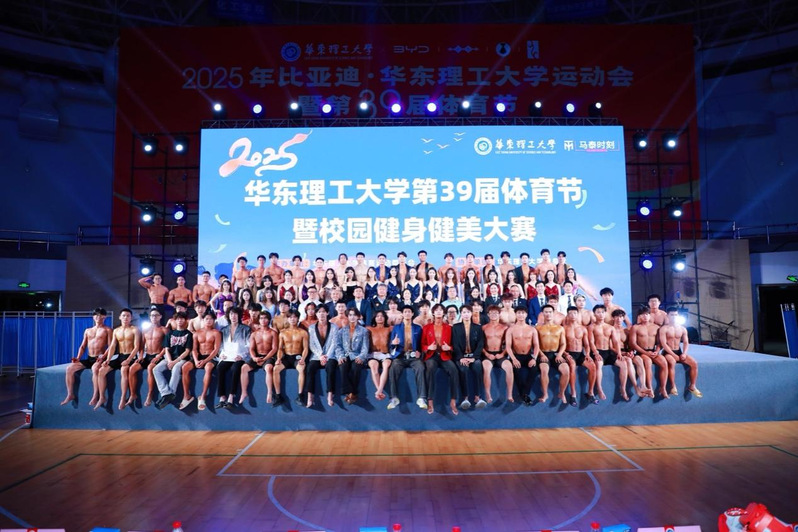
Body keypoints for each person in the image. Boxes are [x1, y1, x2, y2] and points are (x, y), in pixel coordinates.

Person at [61, 308, 112, 407]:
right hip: (89, 358)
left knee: (95, 368)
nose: (98, 317)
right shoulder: (88, 330)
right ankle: (70, 394)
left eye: (100, 315)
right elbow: (83, 346)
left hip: (100, 358)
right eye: (96, 315)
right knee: (69, 368)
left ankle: (95, 395)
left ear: (104, 317)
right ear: (93, 317)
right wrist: (78, 358)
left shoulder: (108, 330)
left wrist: (103, 356)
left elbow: (111, 346)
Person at [99, 308, 141, 410]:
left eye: (128, 316)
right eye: (124, 315)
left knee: (124, 370)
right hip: (120, 356)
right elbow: (112, 346)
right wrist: (108, 359)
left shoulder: (135, 329)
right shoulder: (116, 331)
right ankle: (102, 397)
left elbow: (137, 347)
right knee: (101, 371)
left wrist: (129, 360)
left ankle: (123, 398)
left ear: (131, 318)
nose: (125, 317)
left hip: (130, 356)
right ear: (120, 317)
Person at [421, 304, 458, 415]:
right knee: (430, 368)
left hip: (444, 355)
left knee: (453, 370)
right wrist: (428, 347)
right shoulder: (426, 327)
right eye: (436, 310)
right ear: (433, 312)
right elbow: (422, 344)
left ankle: (453, 400)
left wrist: (449, 348)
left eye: (441, 310)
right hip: (431, 356)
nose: (438, 312)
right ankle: (430, 400)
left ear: (443, 313)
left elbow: (455, 345)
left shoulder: (449, 328)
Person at [387, 305, 425, 410]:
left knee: (421, 367)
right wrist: (393, 343)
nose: (407, 313)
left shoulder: (418, 328)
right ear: (402, 314)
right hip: (400, 356)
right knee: (393, 368)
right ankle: (394, 398)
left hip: (414, 357)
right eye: (405, 312)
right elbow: (391, 345)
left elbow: (421, 344)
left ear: (412, 314)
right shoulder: (396, 327)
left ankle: (421, 398)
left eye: (409, 312)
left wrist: (420, 353)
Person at [153, 311, 193, 409]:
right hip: (169, 358)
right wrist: (170, 361)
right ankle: (166, 393)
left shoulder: (188, 334)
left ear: (185, 320)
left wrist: (175, 362)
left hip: (182, 359)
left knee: (176, 368)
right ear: (175, 320)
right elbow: (166, 349)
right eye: (178, 319)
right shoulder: (170, 333)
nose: (180, 320)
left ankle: (170, 394)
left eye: (182, 319)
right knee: (156, 369)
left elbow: (187, 351)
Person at [659, 307, 702, 397]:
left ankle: (692, 386)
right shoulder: (664, 329)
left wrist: (684, 353)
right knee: (672, 362)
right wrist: (673, 354)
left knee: (694, 363)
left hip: (679, 351)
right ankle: (673, 386)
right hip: (668, 352)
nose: (674, 317)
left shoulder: (682, 329)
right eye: (672, 315)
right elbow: (663, 344)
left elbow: (686, 342)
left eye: (676, 315)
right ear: (667, 316)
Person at [127, 307, 166, 407]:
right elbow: (141, 345)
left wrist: (159, 356)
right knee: (132, 368)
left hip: (158, 355)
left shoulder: (164, 329)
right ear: (150, 317)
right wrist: (140, 356)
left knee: (150, 368)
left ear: (160, 317)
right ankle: (133, 394)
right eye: (152, 316)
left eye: (156, 315)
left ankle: (150, 394)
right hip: (147, 356)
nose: (154, 317)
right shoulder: (145, 330)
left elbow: (167, 346)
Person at [183, 311, 221, 410]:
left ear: (214, 320)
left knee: (208, 368)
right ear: (203, 320)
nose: (209, 321)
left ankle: (203, 396)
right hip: (198, 356)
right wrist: (196, 360)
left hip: (210, 357)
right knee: (185, 367)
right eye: (207, 319)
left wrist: (205, 361)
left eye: (211, 319)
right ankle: (186, 396)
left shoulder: (216, 333)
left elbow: (216, 350)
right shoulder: (197, 333)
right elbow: (194, 349)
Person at [589, 304, 627, 401]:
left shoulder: (610, 327)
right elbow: (591, 342)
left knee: (623, 364)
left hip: (608, 352)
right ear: (594, 314)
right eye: (598, 312)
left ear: (605, 313)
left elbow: (616, 342)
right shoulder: (591, 327)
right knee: (598, 364)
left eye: (602, 312)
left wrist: (619, 353)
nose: (601, 314)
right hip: (598, 351)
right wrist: (596, 353)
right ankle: (599, 388)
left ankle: (623, 388)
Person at [451, 304, 486, 409]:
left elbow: (480, 344)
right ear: (460, 314)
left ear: (471, 313)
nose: (466, 314)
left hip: (473, 356)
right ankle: (465, 398)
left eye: (468, 312)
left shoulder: (478, 327)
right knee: (463, 369)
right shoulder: (456, 327)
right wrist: (461, 357)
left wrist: (474, 357)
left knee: (478, 366)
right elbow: (455, 344)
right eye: (464, 312)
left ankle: (478, 397)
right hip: (461, 356)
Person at [629, 306, 668, 398]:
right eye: (642, 315)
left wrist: (657, 351)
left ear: (650, 315)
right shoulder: (635, 327)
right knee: (648, 362)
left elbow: (660, 343)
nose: (645, 316)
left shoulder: (656, 327)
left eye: (647, 314)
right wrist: (646, 353)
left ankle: (663, 388)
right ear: (639, 316)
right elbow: (633, 344)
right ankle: (649, 387)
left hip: (653, 351)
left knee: (664, 363)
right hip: (642, 352)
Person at [215, 307, 251, 408]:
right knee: (220, 367)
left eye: (235, 314)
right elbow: (221, 345)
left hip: (240, 356)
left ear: (239, 316)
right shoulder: (224, 330)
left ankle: (231, 396)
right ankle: (222, 397)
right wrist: (221, 353)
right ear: (228, 316)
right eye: (231, 314)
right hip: (227, 356)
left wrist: (242, 355)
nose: (233, 316)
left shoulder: (246, 329)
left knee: (235, 368)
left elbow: (249, 345)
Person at [273, 310, 309, 407]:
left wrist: (303, 359)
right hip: (286, 356)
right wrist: (278, 358)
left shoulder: (303, 332)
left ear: (298, 319)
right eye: (290, 317)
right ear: (287, 319)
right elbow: (280, 348)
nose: (292, 319)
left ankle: (300, 396)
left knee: (301, 369)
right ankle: (278, 396)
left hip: (297, 356)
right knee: (275, 369)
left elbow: (305, 348)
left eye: (294, 317)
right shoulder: (282, 333)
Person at [241, 310, 277, 405]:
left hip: (269, 356)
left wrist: (265, 359)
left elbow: (274, 349)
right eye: (261, 318)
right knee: (244, 368)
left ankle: (269, 392)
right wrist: (254, 357)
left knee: (269, 368)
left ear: (269, 320)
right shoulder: (254, 334)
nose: (263, 320)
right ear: (259, 320)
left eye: (265, 318)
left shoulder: (273, 333)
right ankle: (244, 392)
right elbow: (251, 348)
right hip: (257, 356)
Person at [506, 306, 540, 405]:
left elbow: (536, 345)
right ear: (515, 314)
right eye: (519, 313)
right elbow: (508, 346)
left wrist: (534, 358)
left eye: (523, 313)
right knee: (516, 370)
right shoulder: (511, 329)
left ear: (526, 314)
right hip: (516, 355)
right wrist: (513, 359)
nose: (521, 315)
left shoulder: (532, 329)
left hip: (528, 355)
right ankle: (525, 395)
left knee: (534, 369)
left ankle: (524, 393)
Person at [334, 308, 369, 404]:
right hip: (345, 355)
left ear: (358, 316)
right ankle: (352, 392)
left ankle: (350, 394)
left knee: (356, 368)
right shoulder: (342, 331)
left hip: (357, 355)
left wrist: (361, 357)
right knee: (343, 366)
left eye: (354, 315)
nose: (352, 317)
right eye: (350, 315)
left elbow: (365, 347)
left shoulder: (364, 331)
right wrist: (340, 356)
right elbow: (338, 346)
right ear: (347, 317)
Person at [536, 305, 570, 404]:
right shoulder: (538, 328)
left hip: (556, 354)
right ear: (542, 314)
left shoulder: (560, 328)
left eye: (550, 312)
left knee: (566, 370)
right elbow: (535, 345)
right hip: (543, 353)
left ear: (553, 313)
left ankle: (562, 393)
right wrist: (541, 355)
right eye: (546, 312)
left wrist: (559, 355)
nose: (548, 314)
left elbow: (563, 344)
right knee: (544, 369)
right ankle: (545, 394)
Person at [612, 308, 649, 398]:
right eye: (617, 317)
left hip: (627, 352)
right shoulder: (611, 329)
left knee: (639, 359)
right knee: (628, 360)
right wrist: (623, 354)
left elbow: (631, 344)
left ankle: (643, 385)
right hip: (615, 352)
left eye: (621, 317)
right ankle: (635, 388)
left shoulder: (627, 330)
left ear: (624, 318)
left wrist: (631, 351)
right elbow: (611, 347)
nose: (619, 319)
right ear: (613, 318)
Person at [563, 306, 596, 406]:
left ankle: (590, 392)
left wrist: (588, 354)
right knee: (572, 366)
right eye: (570, 313)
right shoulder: (564, 329)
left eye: (575, 313)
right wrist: (565, 354)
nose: (573, 315)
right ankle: (573, 394)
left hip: (580, 354)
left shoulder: (583, 329)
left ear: (578, 315)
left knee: (593, 366)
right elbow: (561, 345)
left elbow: (586, 345)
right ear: (567, 315)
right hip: (569, 353)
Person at [306, 305, 339, 407]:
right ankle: (310, 396)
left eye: (323, 312)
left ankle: (330, 395)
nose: (321, 314)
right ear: (316, 314)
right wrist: (320, 355)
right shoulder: (311, 328)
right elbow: (311, 344)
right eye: (319, 312)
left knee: (331, 368)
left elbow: (334, 343)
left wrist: (327, 356)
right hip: (317, 355)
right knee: (310, 368)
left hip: (331, 355)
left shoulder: (334, 327)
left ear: (327, 313)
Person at [481, 305, 513, 403]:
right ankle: (488, 394)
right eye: (491, 313)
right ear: (488, 315)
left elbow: (508, 344)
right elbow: (480, 345)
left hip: (500, 353)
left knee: (509, 367)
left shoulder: (504, 328)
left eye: (496, 313)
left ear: (499, 314)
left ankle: (509, 394)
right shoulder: (484, 328)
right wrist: (487, 354)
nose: (494, 315)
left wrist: (502, 354)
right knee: (486, 368)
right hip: (488, 354)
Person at [367, 310, 392, 401]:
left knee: (386, 365)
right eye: (377, 316)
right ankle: (379, 390)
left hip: (385, 354)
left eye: (382, 316)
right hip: (373, 354)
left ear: (385, 318)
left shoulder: (390, 328)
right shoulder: (369, 329)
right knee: (373, 367)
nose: (380, 318)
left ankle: (379, 391)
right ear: (374, 318)